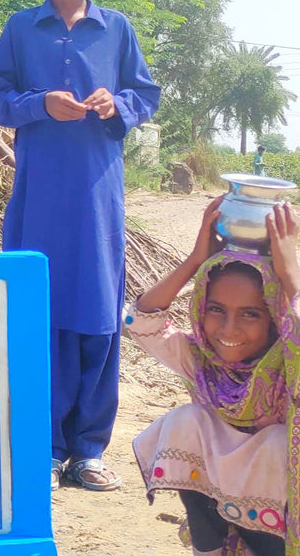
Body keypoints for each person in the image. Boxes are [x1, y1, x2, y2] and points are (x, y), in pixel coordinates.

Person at [0, 0, 161, 492]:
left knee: (97, 313)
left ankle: (87, 450)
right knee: (39, 306)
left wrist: (118, 106)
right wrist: (40, 104)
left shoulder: (117, 30)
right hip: (38, 198)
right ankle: (41, 446)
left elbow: (145, 93)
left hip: (98, 198)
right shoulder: (20, 29)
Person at [127, 198, 300, 556]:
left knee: (274, 445)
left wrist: (290, 279)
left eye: (251, 314)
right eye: (216, 310)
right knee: (186, 421)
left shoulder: (289, 367)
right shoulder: (199, 359)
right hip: (220, 516)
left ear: (275, 316)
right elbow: (139, 322)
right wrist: (194, 262)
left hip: (282, 530)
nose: (228, 329)